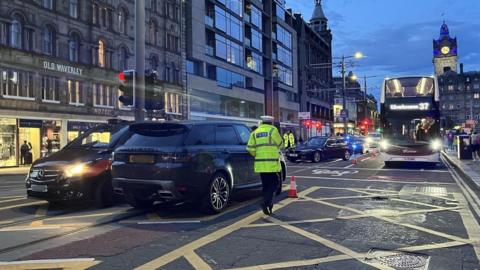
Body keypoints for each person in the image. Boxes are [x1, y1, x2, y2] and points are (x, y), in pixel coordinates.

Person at [247, 115, 283, 215]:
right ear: (271, 122)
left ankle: (268, 204)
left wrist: (257, 154)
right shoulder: (273, 130)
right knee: (274, 183)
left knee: (266, 185)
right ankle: (266, 202)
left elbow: (250, 148)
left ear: (262, 122)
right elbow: (281, 144)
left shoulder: (255, 132)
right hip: (271, 164)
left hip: (260, 165)